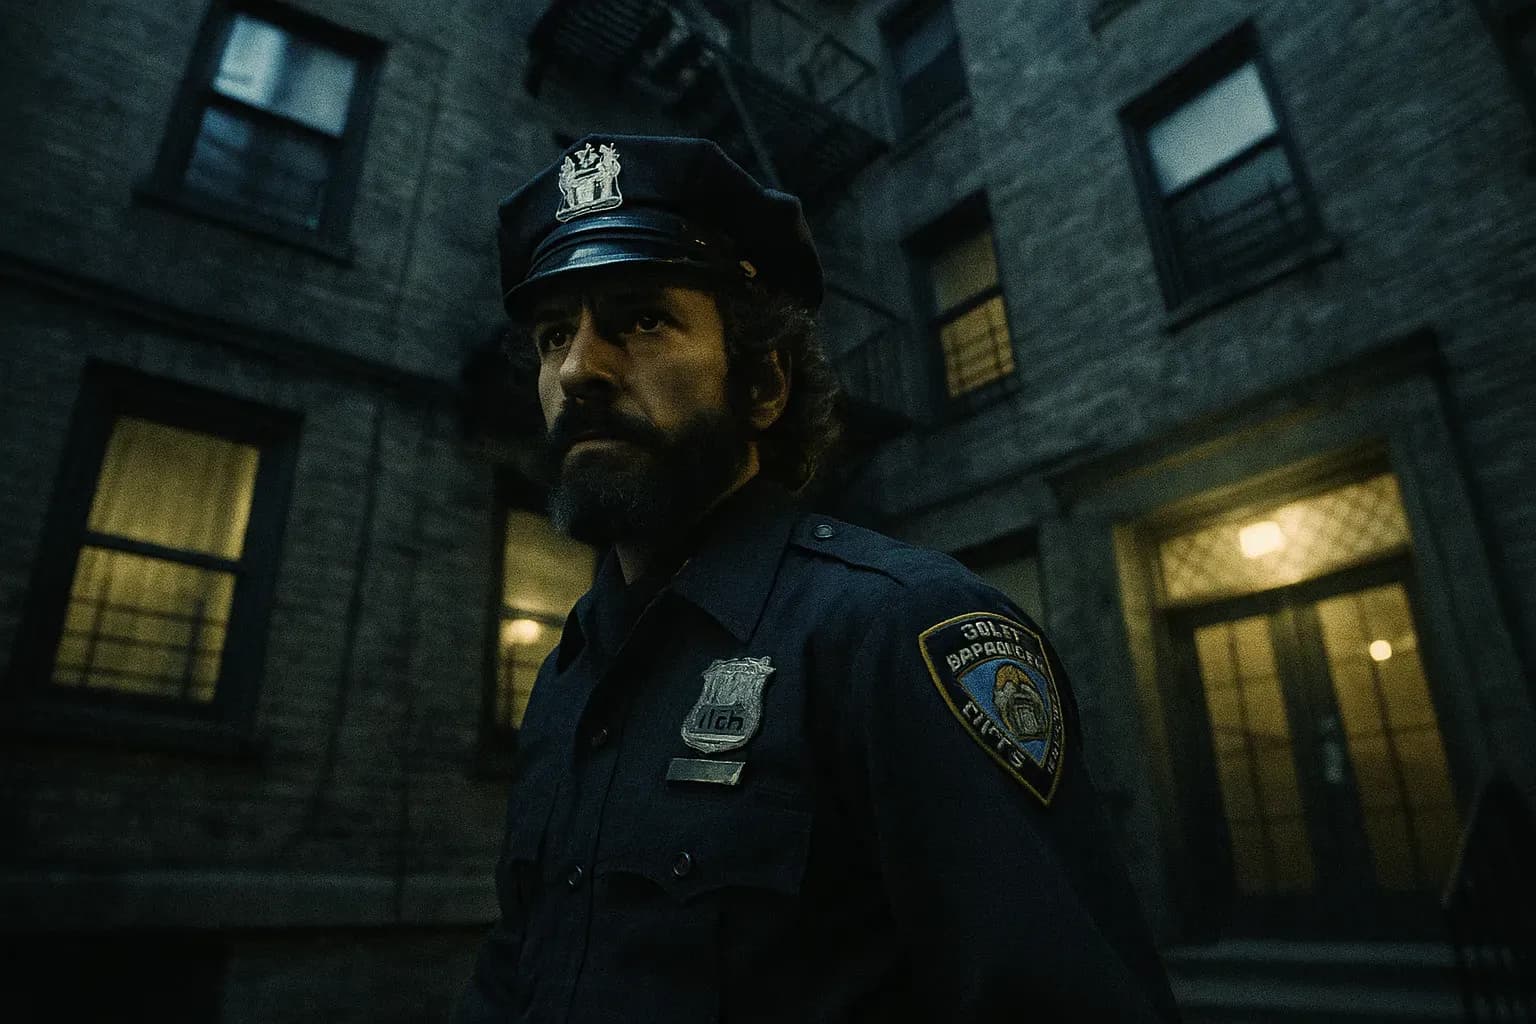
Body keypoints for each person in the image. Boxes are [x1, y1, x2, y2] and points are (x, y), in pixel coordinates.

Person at [457, 134, 1181, 1022]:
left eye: (642, 320)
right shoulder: (570, 675)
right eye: (553, 334)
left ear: (762, 384)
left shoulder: (900, 630)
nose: (578, 369)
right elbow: (517, 970)